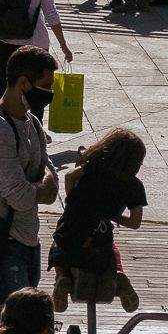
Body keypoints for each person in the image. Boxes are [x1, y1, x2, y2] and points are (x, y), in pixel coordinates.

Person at [0, 44, 61, 311]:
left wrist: (39, 186)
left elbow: (50, 179)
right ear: (23, 83)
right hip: (3, 240)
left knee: (21, 320)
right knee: (15, 322)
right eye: (46, 84)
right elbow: (20, 197)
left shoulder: (31, 121)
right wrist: (40, 186)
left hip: (29, 238)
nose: (50, 92)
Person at [47, 126, 146, 314]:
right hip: (101, 235)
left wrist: (72, 199)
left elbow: (69, 176)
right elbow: (135, 223)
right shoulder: (134, 185)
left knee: (58, 243)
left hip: (72, 229)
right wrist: (112, 215)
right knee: (112, 248)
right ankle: (118, 273)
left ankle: (62, 276)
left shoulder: (91, 169)